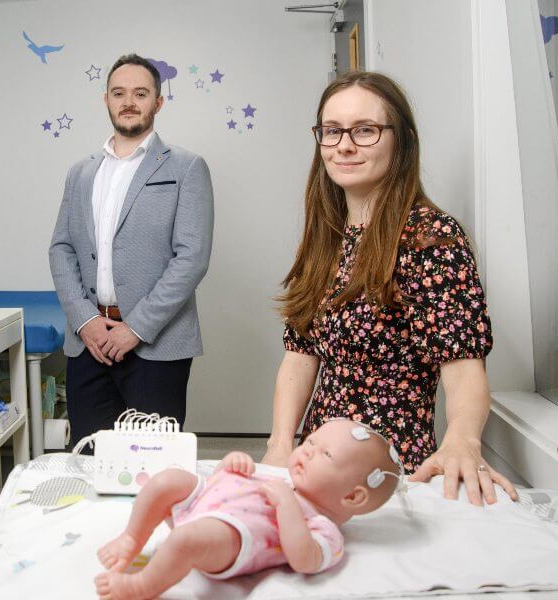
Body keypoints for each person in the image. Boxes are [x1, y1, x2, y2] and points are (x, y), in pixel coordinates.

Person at [260, 71, 518, 506]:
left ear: (402, 141)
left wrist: (463, 440)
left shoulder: (430, 237)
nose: (344, 145)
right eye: (332, 131)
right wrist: (280, 443)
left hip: (386, 473)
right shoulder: (329, 234)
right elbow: (300, 354)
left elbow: (463, 368)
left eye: (365, 130)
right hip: (317, 460)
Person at [48, 54, 214, 446]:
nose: (129, 102)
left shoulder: (187, 168)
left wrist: (135, 328)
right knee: (88, 459)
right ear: (105, 99)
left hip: (156, 345)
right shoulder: (81, 172)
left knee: (151, 465)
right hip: (89, 341)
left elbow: (191, 259)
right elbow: (61, 248)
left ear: (158, 102)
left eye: (141, 93)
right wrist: (85, 320)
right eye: (119, 93)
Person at [94, 419, 401, 600]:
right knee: (165, 481)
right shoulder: (284, 483)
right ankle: (131, 538)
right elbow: (231, 485)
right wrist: (232, 465)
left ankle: (140, 586)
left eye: (325, 453)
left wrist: (286, 505)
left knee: (184, 540)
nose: (307, 449)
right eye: (309, 440)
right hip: (205, 504)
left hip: (229, 540)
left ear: (352, 497)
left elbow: (305, 560)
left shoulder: (324, 528)